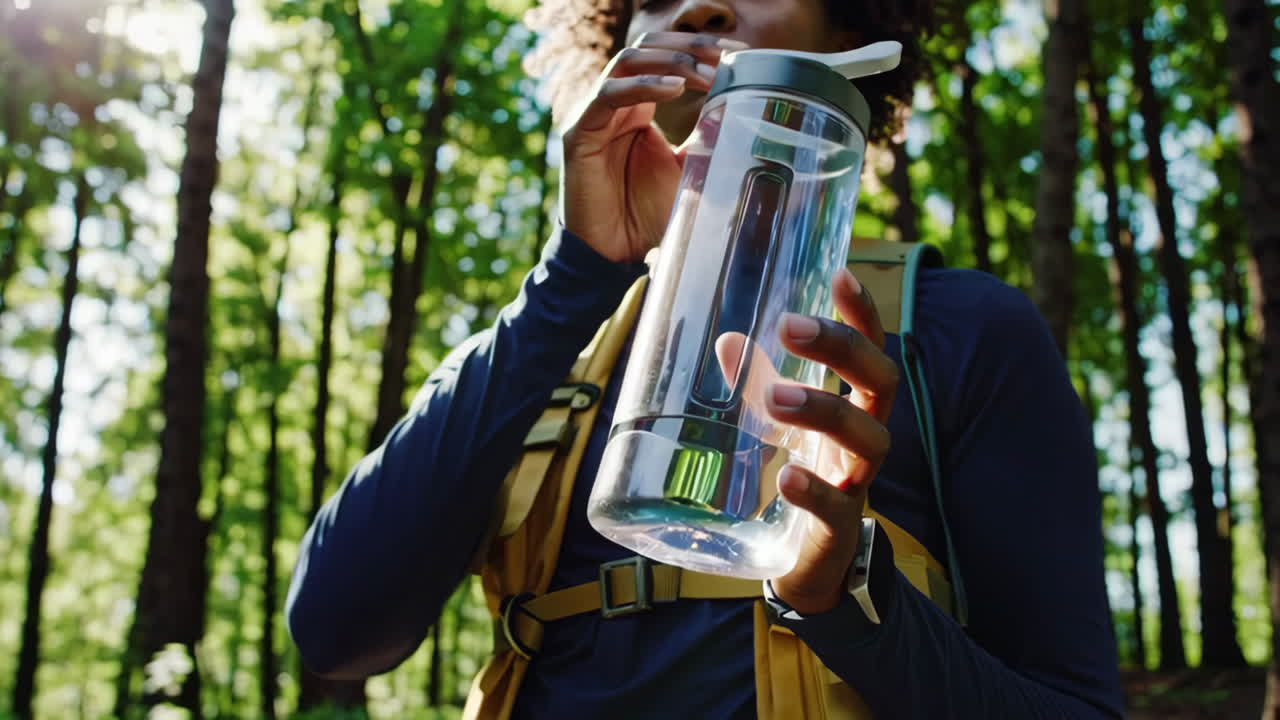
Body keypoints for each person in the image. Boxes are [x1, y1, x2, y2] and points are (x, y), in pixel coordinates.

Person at [286, 0, 1126, 717]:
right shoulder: (540, 342)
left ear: (855, 29)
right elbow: (335, 631)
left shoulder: (963, 329)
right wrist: (572, 275)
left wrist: (850, 605)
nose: (697, 7)